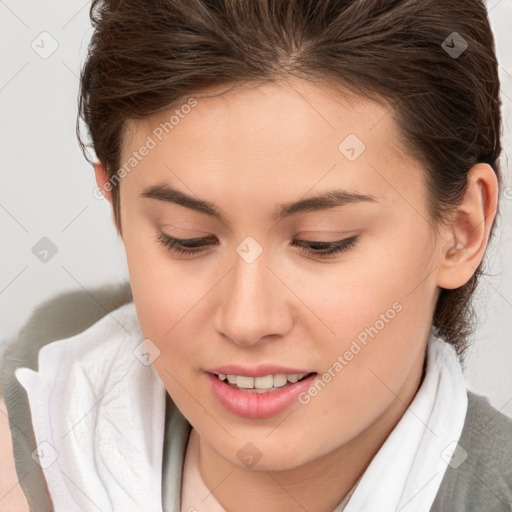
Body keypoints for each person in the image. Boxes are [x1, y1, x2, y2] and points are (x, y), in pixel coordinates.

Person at [2, 0, 512, 511]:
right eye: (186, 237)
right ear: (117, 207)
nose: (246, 321)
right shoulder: (30, 416)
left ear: (462, 230)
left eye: (321, 243)